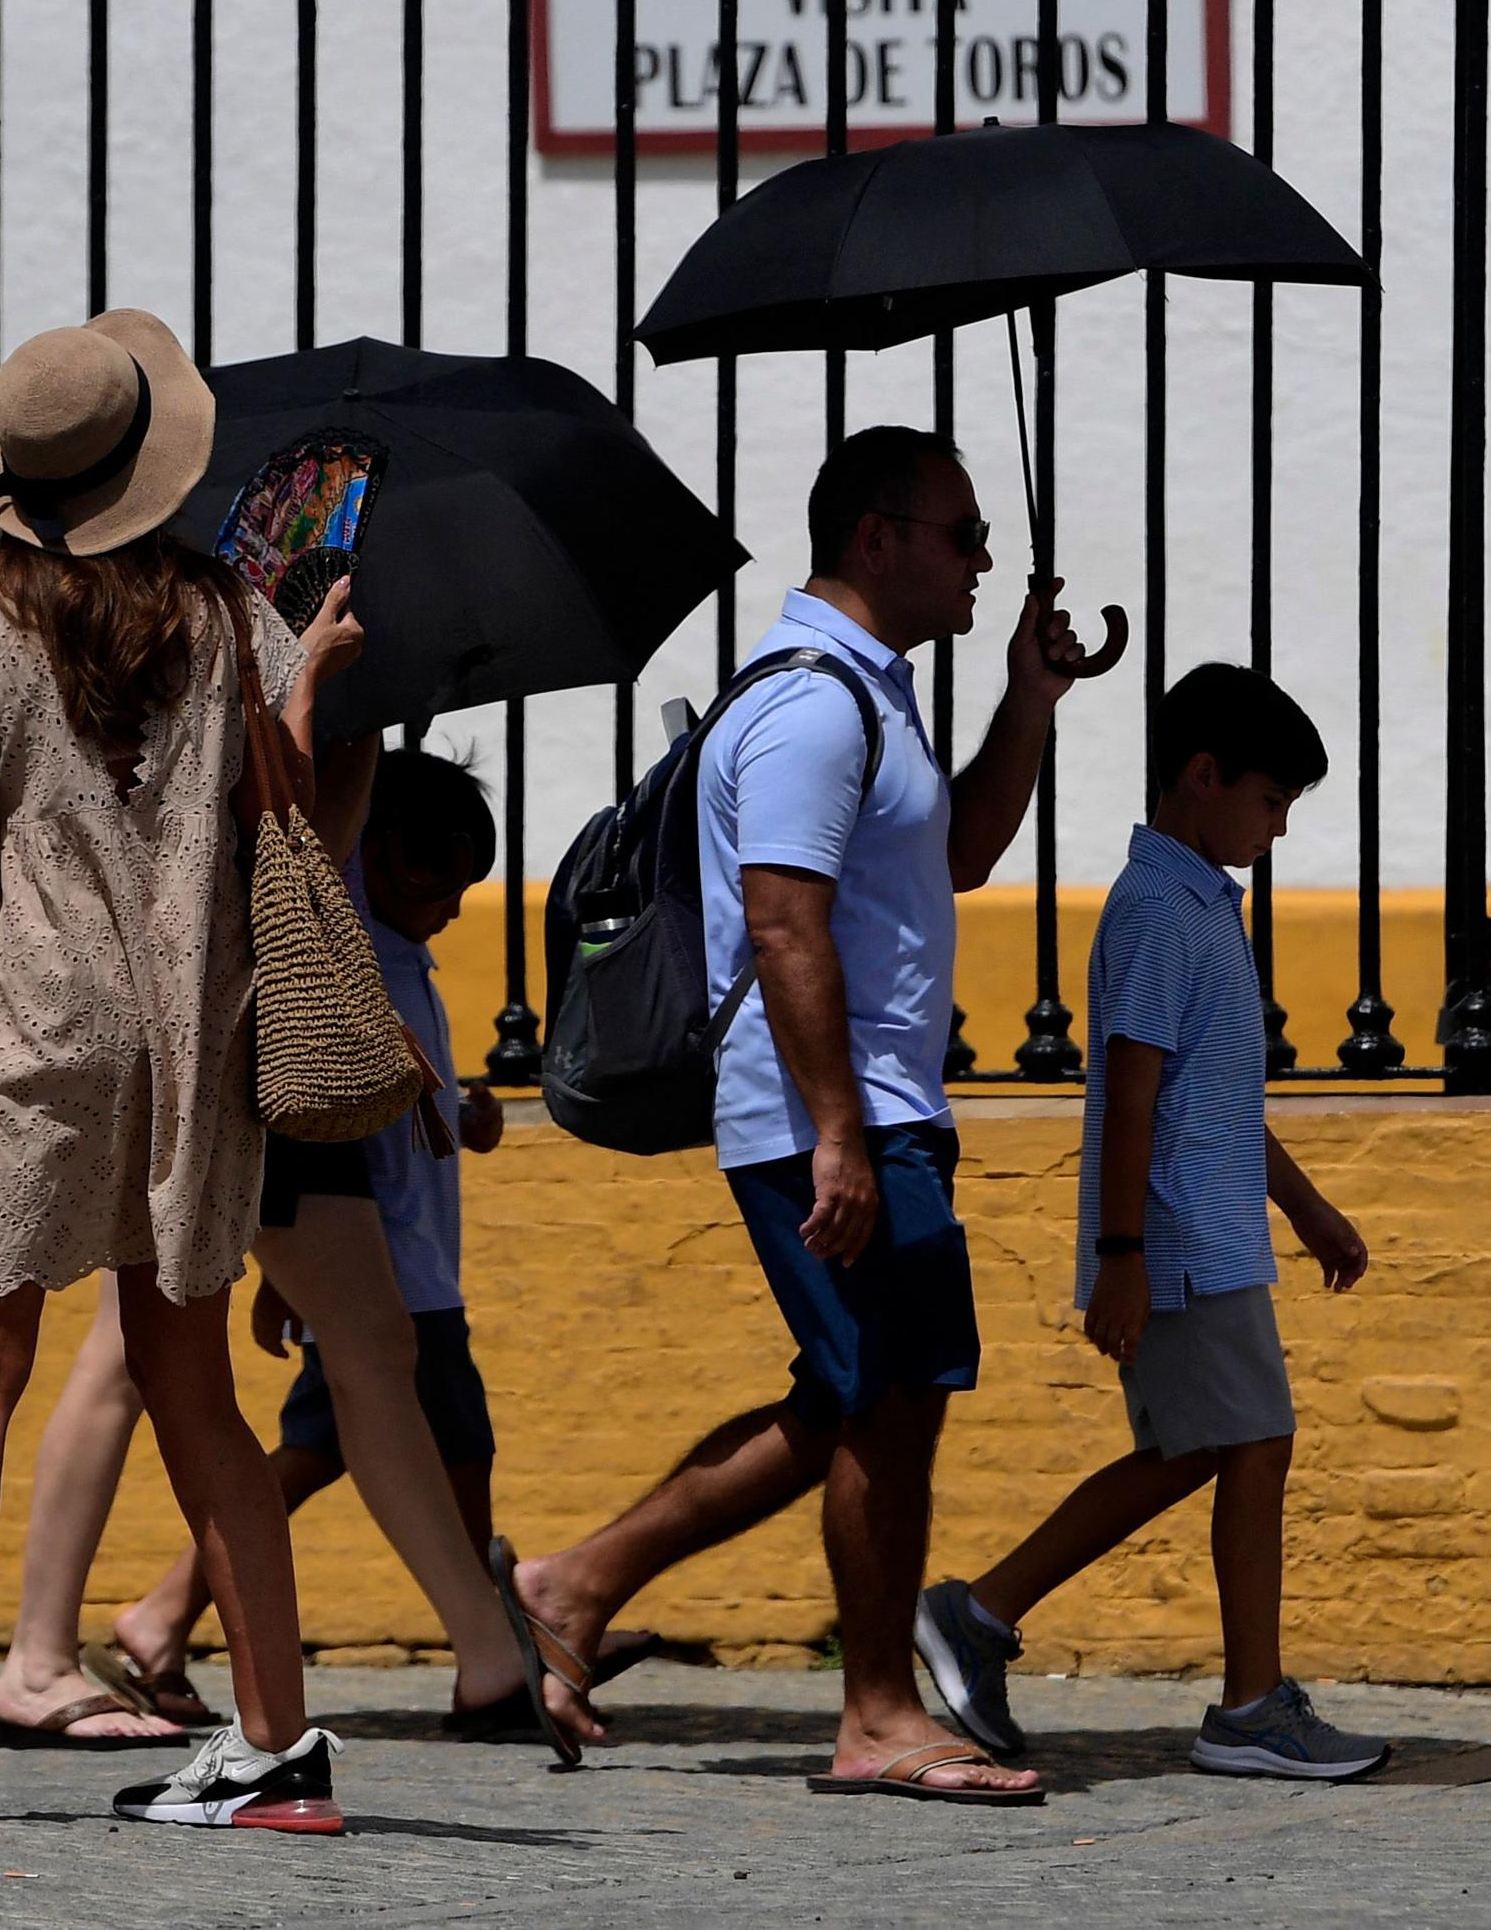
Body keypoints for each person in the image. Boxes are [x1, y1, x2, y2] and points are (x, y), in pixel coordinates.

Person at [499, 426, 1117, 1807]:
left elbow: (954, 854)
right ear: (879, 539)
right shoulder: (807, 704)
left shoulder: (872, 693)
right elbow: (782, 927)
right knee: (888, 1404)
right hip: (827, 1118)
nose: (984, 562)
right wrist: (839, 1132)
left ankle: (570, 1583)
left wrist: (1031, 696)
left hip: (877, 1105)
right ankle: (878, 1712)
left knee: (858, 1394)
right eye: (964, 536)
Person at [0, 310, 364, 1833]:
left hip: (30, 1036)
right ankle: (278, 1750)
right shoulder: (227, 614)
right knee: (196, 1392)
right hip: (191, 1039)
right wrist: (311, 670)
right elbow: (286, 808)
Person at [0, 742, 602, 1764]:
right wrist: (342, 717)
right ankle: (482, 1654)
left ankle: (53, 1653)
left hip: (230, 1027)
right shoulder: (276, 670)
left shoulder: (257, 671)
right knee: (317, 1353)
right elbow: (296, 835)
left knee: (235, 1352)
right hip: (249, 1035)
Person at [913, 665, 1388, 1782]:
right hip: (1177, 1239)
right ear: (1202, 775)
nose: (1277, 828)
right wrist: (1121, 1257)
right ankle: (1247, 1704)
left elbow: (1208, 1096)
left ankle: (980, 1614)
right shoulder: (1158, 913)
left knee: (1201, 1448)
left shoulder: (1195, 906)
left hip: (1204, 1229)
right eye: (1270, 801)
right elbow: (1129, 1092)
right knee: (1249, 1443)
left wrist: (1306, 1208)